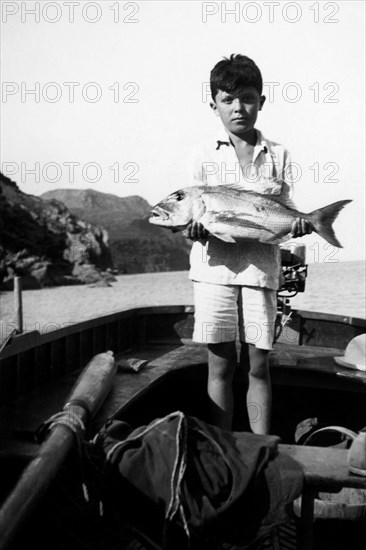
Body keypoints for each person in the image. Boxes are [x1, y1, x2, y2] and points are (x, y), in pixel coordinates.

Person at [185, 54, 311, 434]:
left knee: (258, 365)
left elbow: (285, 214)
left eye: (248, 98)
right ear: (214, 105)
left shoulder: (280, 154)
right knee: (219, 364)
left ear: (262, 101)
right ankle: (223, 448)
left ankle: (261, 447)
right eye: (228, 99)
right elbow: (192, 208)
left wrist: (300, 225)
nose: (239, 108)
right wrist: (194, 226)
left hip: (261, 271)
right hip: (213, 274)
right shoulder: (201, 156)